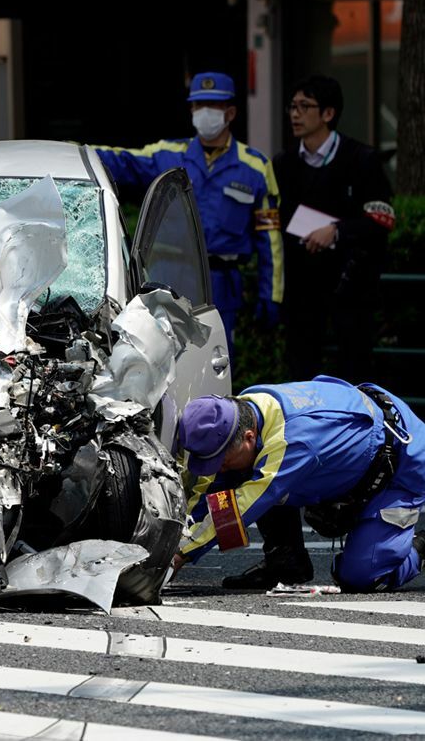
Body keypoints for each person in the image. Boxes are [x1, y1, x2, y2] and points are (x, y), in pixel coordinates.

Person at [95, 71, 283, 361]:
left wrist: (272, 294)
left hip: (221, 283)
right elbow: (120, 160)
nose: (203, 112)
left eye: (212, 105)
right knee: (161, 362)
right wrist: (71, 151)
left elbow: (270, 240)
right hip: (168, 278)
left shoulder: (255, 167)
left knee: (216, 362)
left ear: (230, 112)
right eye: (197, 105)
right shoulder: (168, 153)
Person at [173, 378, 425, 591]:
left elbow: (242, 505)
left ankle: (419, 547)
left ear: (249, 437)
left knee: (360, 578)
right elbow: (207, 488)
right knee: (239, 476)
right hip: (349, 453)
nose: (218, 468)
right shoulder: (242, 410)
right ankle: (286, 562)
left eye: (221, 460)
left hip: (400, 467)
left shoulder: (294, 442)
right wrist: (174, 540)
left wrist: (180, 556)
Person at [274, 75, 394, 383]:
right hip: (302, 288)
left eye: (304, 106)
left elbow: (382, 219)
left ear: (328, 114)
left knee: (354, 369)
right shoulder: (284, 164)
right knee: (301, 370)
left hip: (349, 285)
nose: (295, 114)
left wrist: (337, 230)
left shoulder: (362, 159)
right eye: (292, 106)